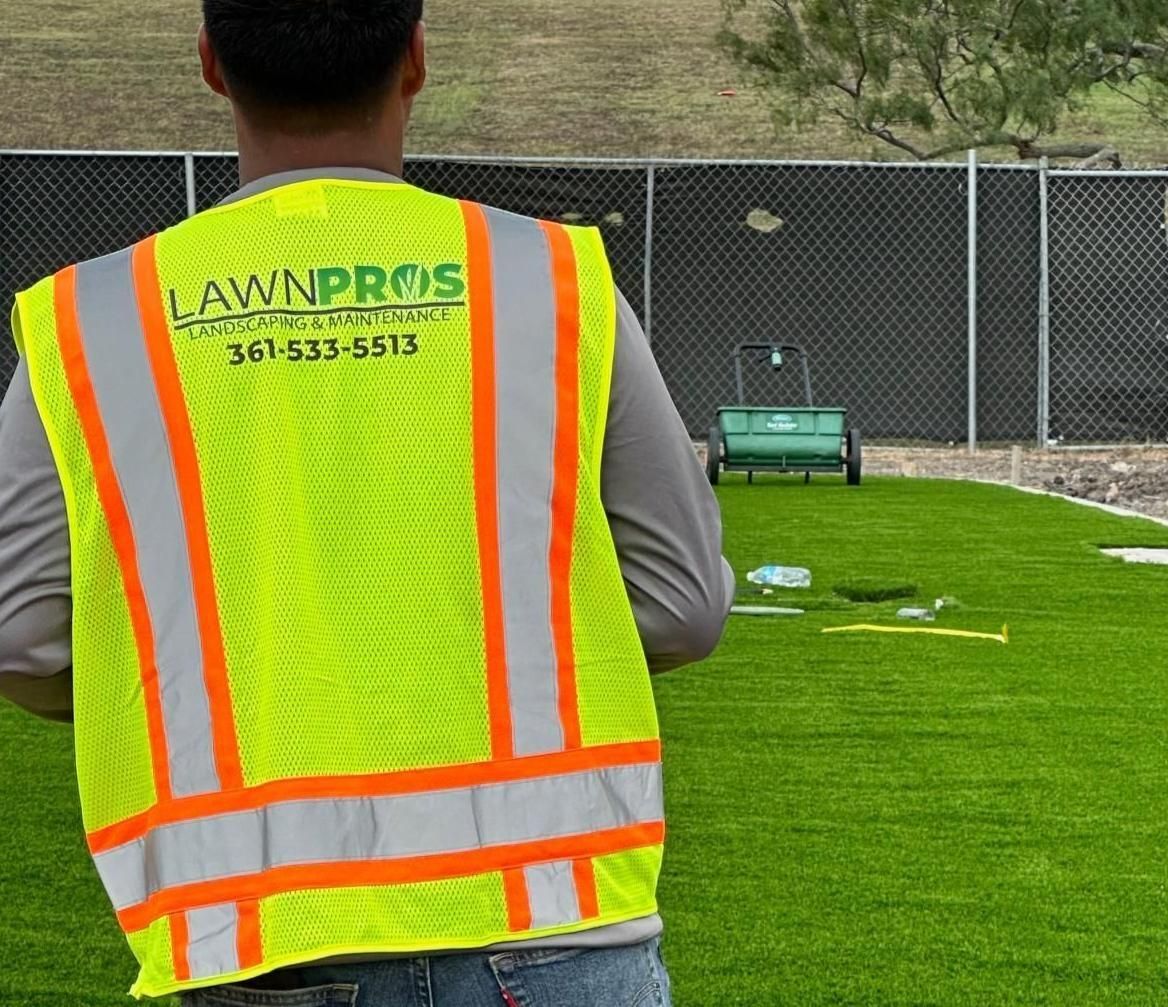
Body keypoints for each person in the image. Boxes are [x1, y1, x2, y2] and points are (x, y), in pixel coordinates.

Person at [0, 1, 733, 1003]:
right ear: (417, 60)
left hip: (259, 940)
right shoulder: (552, 280)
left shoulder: (95, 321)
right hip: (555, 928)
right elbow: (685, 604)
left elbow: (23, 641)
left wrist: (260, 674)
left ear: (212, 64)